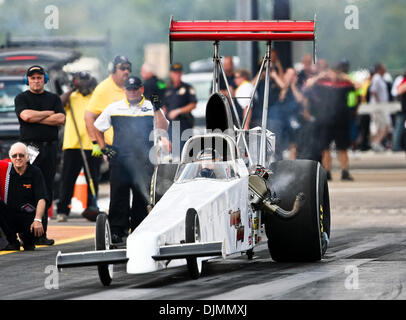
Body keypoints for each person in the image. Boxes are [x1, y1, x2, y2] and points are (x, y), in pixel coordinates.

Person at [93, 76, 169, 243]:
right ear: (124, 90)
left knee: (141, 197)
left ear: (141, 89)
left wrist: (157, 108)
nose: (132, 92)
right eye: (129, 89)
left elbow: (163, 127)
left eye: (135, 89)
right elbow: (97, 127)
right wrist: (104, 147)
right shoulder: (114, 107)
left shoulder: (150, 107)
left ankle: (138, 229)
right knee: (118, 195)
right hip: (120, 159)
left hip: (144, 159)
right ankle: (117, 231)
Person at [14, 65, 65, 246]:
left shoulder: (53, 98)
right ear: (28, 80)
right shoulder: (22, 98)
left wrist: (38, 117)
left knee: (46, 188)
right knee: (27, 189)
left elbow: (61, 119)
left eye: (39, 77)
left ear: (45, 79)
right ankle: (27, 232)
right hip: (29, 150)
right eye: (33, 78)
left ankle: (42, 232)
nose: (36, 80)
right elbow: (26, 116)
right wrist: (47, 114)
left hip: (49, 149)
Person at [56, 72, 101, 222]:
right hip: (72, 145)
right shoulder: (71, 97)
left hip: (92, 144)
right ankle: (63, 210)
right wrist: (71, 89)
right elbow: (58, 104)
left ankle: (91, 208)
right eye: (81, 86)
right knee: (68, 179)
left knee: (92, 179)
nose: (84, 89)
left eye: (86, 86)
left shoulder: (96, 97)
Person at [0, 142, 48, 251]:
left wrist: (38, 220)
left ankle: (27, 239)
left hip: (29, 217)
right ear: (10, 158)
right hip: (10, 216)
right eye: (14, 156)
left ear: (27, 157)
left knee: (29, 246)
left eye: (21, 155)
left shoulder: (35, 172)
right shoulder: (5, 170)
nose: (18, 158)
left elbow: (42, 198)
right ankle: (11, 241)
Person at [85, 55, 132, 156]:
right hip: (112, 148)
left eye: (128, 68)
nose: (126, 71)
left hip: (131, 147)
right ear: (113, 70)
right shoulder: (103, 88)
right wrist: (97, 144)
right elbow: (89, 116)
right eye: (122, 68)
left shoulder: (132, 88)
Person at [163, 63, 197, 157]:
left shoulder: (187, 88)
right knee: (173, 152)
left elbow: (193, 104)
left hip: (184, 123)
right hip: (171, 125)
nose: (177, 75)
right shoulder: (166, 88)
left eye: (178, 73)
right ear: (171, 74)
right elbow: (164, 106)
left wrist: (178, 111)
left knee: (185, 150)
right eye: (175, 73)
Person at [369, 63, 391, 152]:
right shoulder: (376, 78)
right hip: (378, 107)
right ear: (379, 69)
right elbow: (373, 91)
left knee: (381, 126)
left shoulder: (381, 78)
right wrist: (378, 103)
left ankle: (376, 143)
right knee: (386, 125)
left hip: (382, 106)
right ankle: (376, 142)